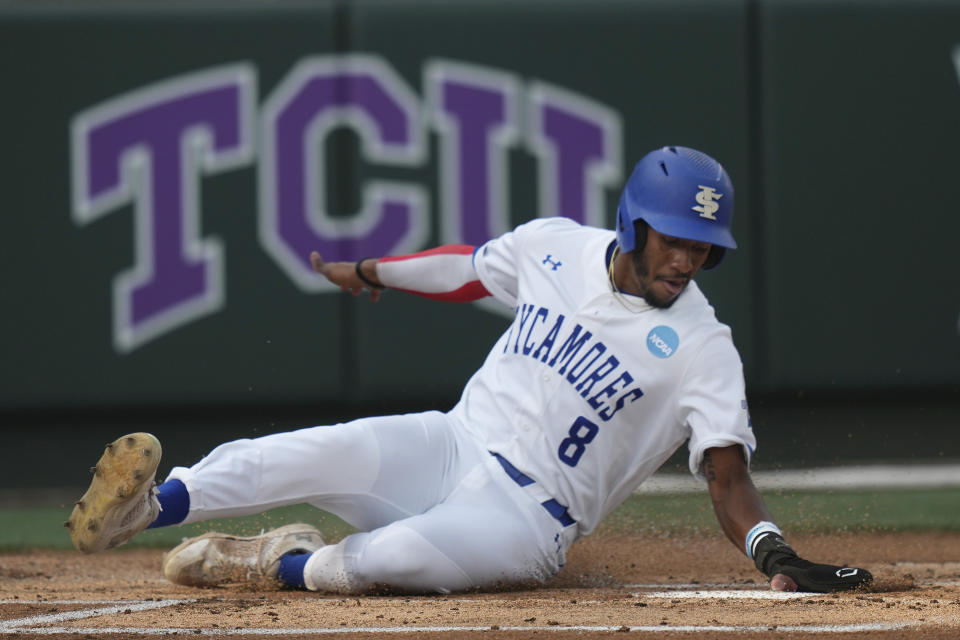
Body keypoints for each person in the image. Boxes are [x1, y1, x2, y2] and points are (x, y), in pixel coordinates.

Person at [66, 146, 872, 594]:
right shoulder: (558, 244)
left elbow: (727, 476)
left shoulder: (704, 346)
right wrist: (376, 271)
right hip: (454, 441)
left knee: (391, 560)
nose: (688, 258)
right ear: (632, 223)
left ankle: (267, 562)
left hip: (529, 521)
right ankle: (154, 506)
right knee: (308, 449)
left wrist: (773, 551)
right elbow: (470, 270)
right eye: (673, 238)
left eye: (703, 248)